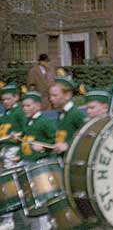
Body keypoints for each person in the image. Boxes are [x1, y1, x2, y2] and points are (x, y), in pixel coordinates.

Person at [19, 91, 55, 230]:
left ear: (38, 106)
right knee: (28, 198)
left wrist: (44, 148)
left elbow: (53, 141)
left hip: (39, 165)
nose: (24, 108)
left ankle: (45, 225)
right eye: (24, 106)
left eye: (28, 105)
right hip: (27, 163)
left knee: (40, 198)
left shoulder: (44, 122)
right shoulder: (28, 121)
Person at [0, 83, 26, 230]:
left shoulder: (19, 113)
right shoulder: (6, 114)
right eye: (3, 99)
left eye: (8, 99)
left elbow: (26, 130)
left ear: (16, 97)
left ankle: (9, 219)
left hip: (13, 152)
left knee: (8, 185)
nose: (5, 102)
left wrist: (19, 136)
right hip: (4, 151)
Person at [49, 77, 85, 156]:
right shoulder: (61, 113)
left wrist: (68, 145)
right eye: (50, 95)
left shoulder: (75, 114)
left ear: (68, 95)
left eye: (55, 95)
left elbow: (86, 136)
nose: (51, 99)